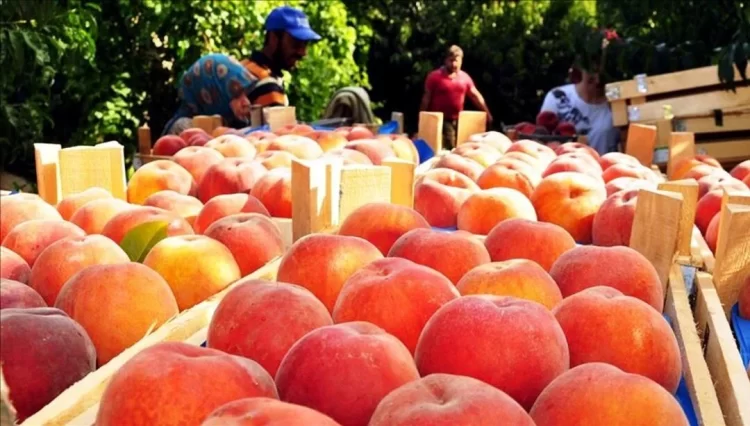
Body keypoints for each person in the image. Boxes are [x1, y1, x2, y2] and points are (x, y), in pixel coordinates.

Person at [539, 38, 621, 155]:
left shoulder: (617, 107)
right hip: (562, 169)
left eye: (603, 77)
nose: (597, 80)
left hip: (601, 170)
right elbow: (541, 139)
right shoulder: (557, 98)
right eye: (592, 73)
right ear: (582, 69)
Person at [240, 5, 321, 108]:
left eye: (305, 44)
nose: (303, 53)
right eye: (296, 43)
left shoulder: (245, 66)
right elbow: (279, 124)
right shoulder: (267, 85)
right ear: (274, 38)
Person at [420, 45, 493, 151]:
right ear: (445, 61)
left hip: (458, 120)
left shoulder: (465, 78)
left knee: (462, 146)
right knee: (449, 147)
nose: (454, 64)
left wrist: (488, 113)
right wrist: (422, 117)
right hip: (440, 120)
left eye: (456, 61)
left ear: (461, 61)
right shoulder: (435, 77)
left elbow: (475, 96)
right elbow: (426, 98)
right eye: (451, 61)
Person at [162, 53, 255, 135]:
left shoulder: (228, 122)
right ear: (213, 95)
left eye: (245, 93)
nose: (247, 102)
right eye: (236, 95)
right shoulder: (186, 128)